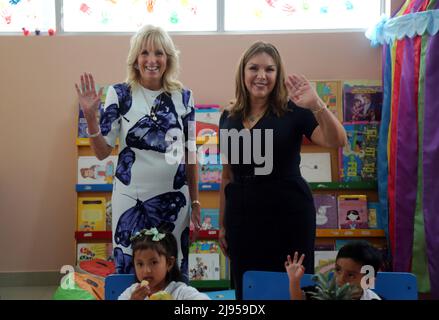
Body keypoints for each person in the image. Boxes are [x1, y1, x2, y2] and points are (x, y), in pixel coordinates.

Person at [218, 41, 347, 300]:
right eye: (254, 68)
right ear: (243, 72)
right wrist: (222, 225)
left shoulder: (294, 110)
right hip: (242, 217)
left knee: (293, 285)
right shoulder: (229, 116)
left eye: (270, 69)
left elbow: (337, 140)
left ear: (278, 75)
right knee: (249, 286)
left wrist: (317, 104)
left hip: (288, 215)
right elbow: (228, 174)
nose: (261, 76)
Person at [75, 25, 201, 280]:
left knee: (170, 271)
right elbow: (102, 152)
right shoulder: (119, 94)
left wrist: (196, 203)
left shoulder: (184, 97)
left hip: (174, 203)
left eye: (159, 53)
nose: (152, 60)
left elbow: (190, 154)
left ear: (168, 58)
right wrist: (91, 119)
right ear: (135, 59)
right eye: (144, 53)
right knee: (132, 270)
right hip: (129, 200)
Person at [118, 227, 209, 300]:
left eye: (153, 262)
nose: (146, 271)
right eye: (140, 264)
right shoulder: (131, 293)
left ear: (169, 263)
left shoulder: (180, 292)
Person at [285, 241, 383, 300]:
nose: (340, 279)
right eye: (338, 270)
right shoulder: (323, 293)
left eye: (351, 275)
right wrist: (294, 281)